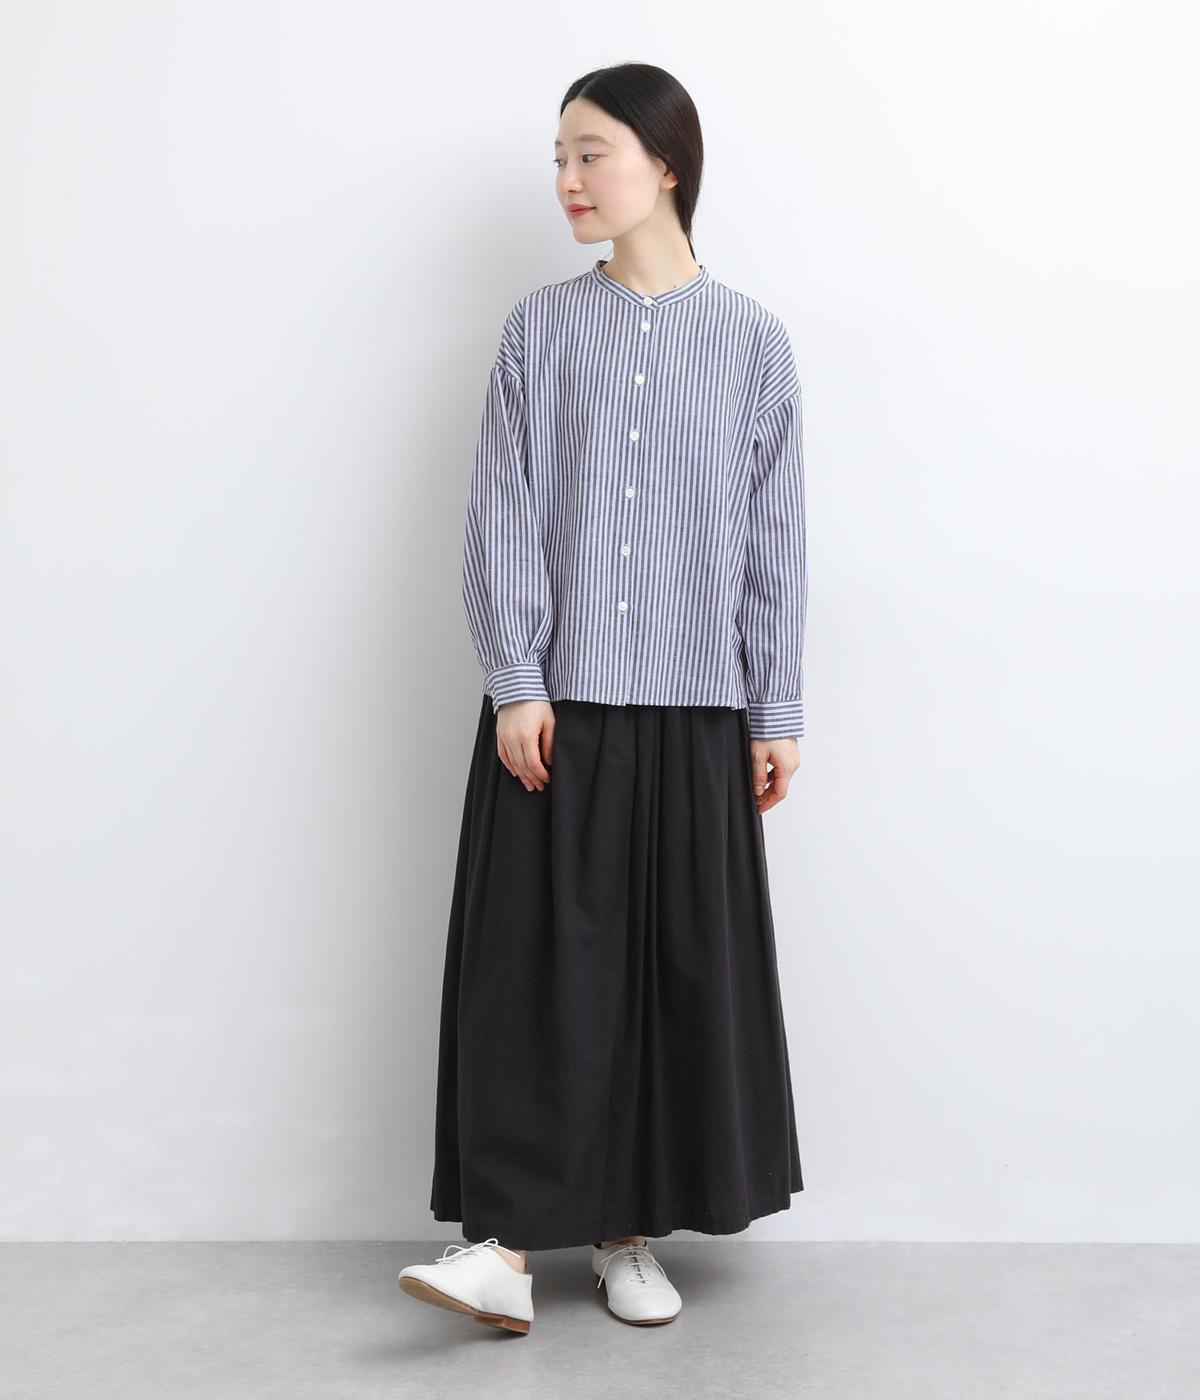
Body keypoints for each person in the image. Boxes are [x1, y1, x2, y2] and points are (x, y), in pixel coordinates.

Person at [398, 61, 807, 1335]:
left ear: (665, 163)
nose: (569, 180)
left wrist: (775, 707)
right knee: (532, 978)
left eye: (593, 154)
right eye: (560, 159)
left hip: (696, 710)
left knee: (664, 981)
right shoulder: (540, 330)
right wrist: (516, 677)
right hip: (558, 707)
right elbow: (503, 509)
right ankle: (504, 1246)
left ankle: (627, 1233)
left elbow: (774, 540)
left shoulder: (752, 340)